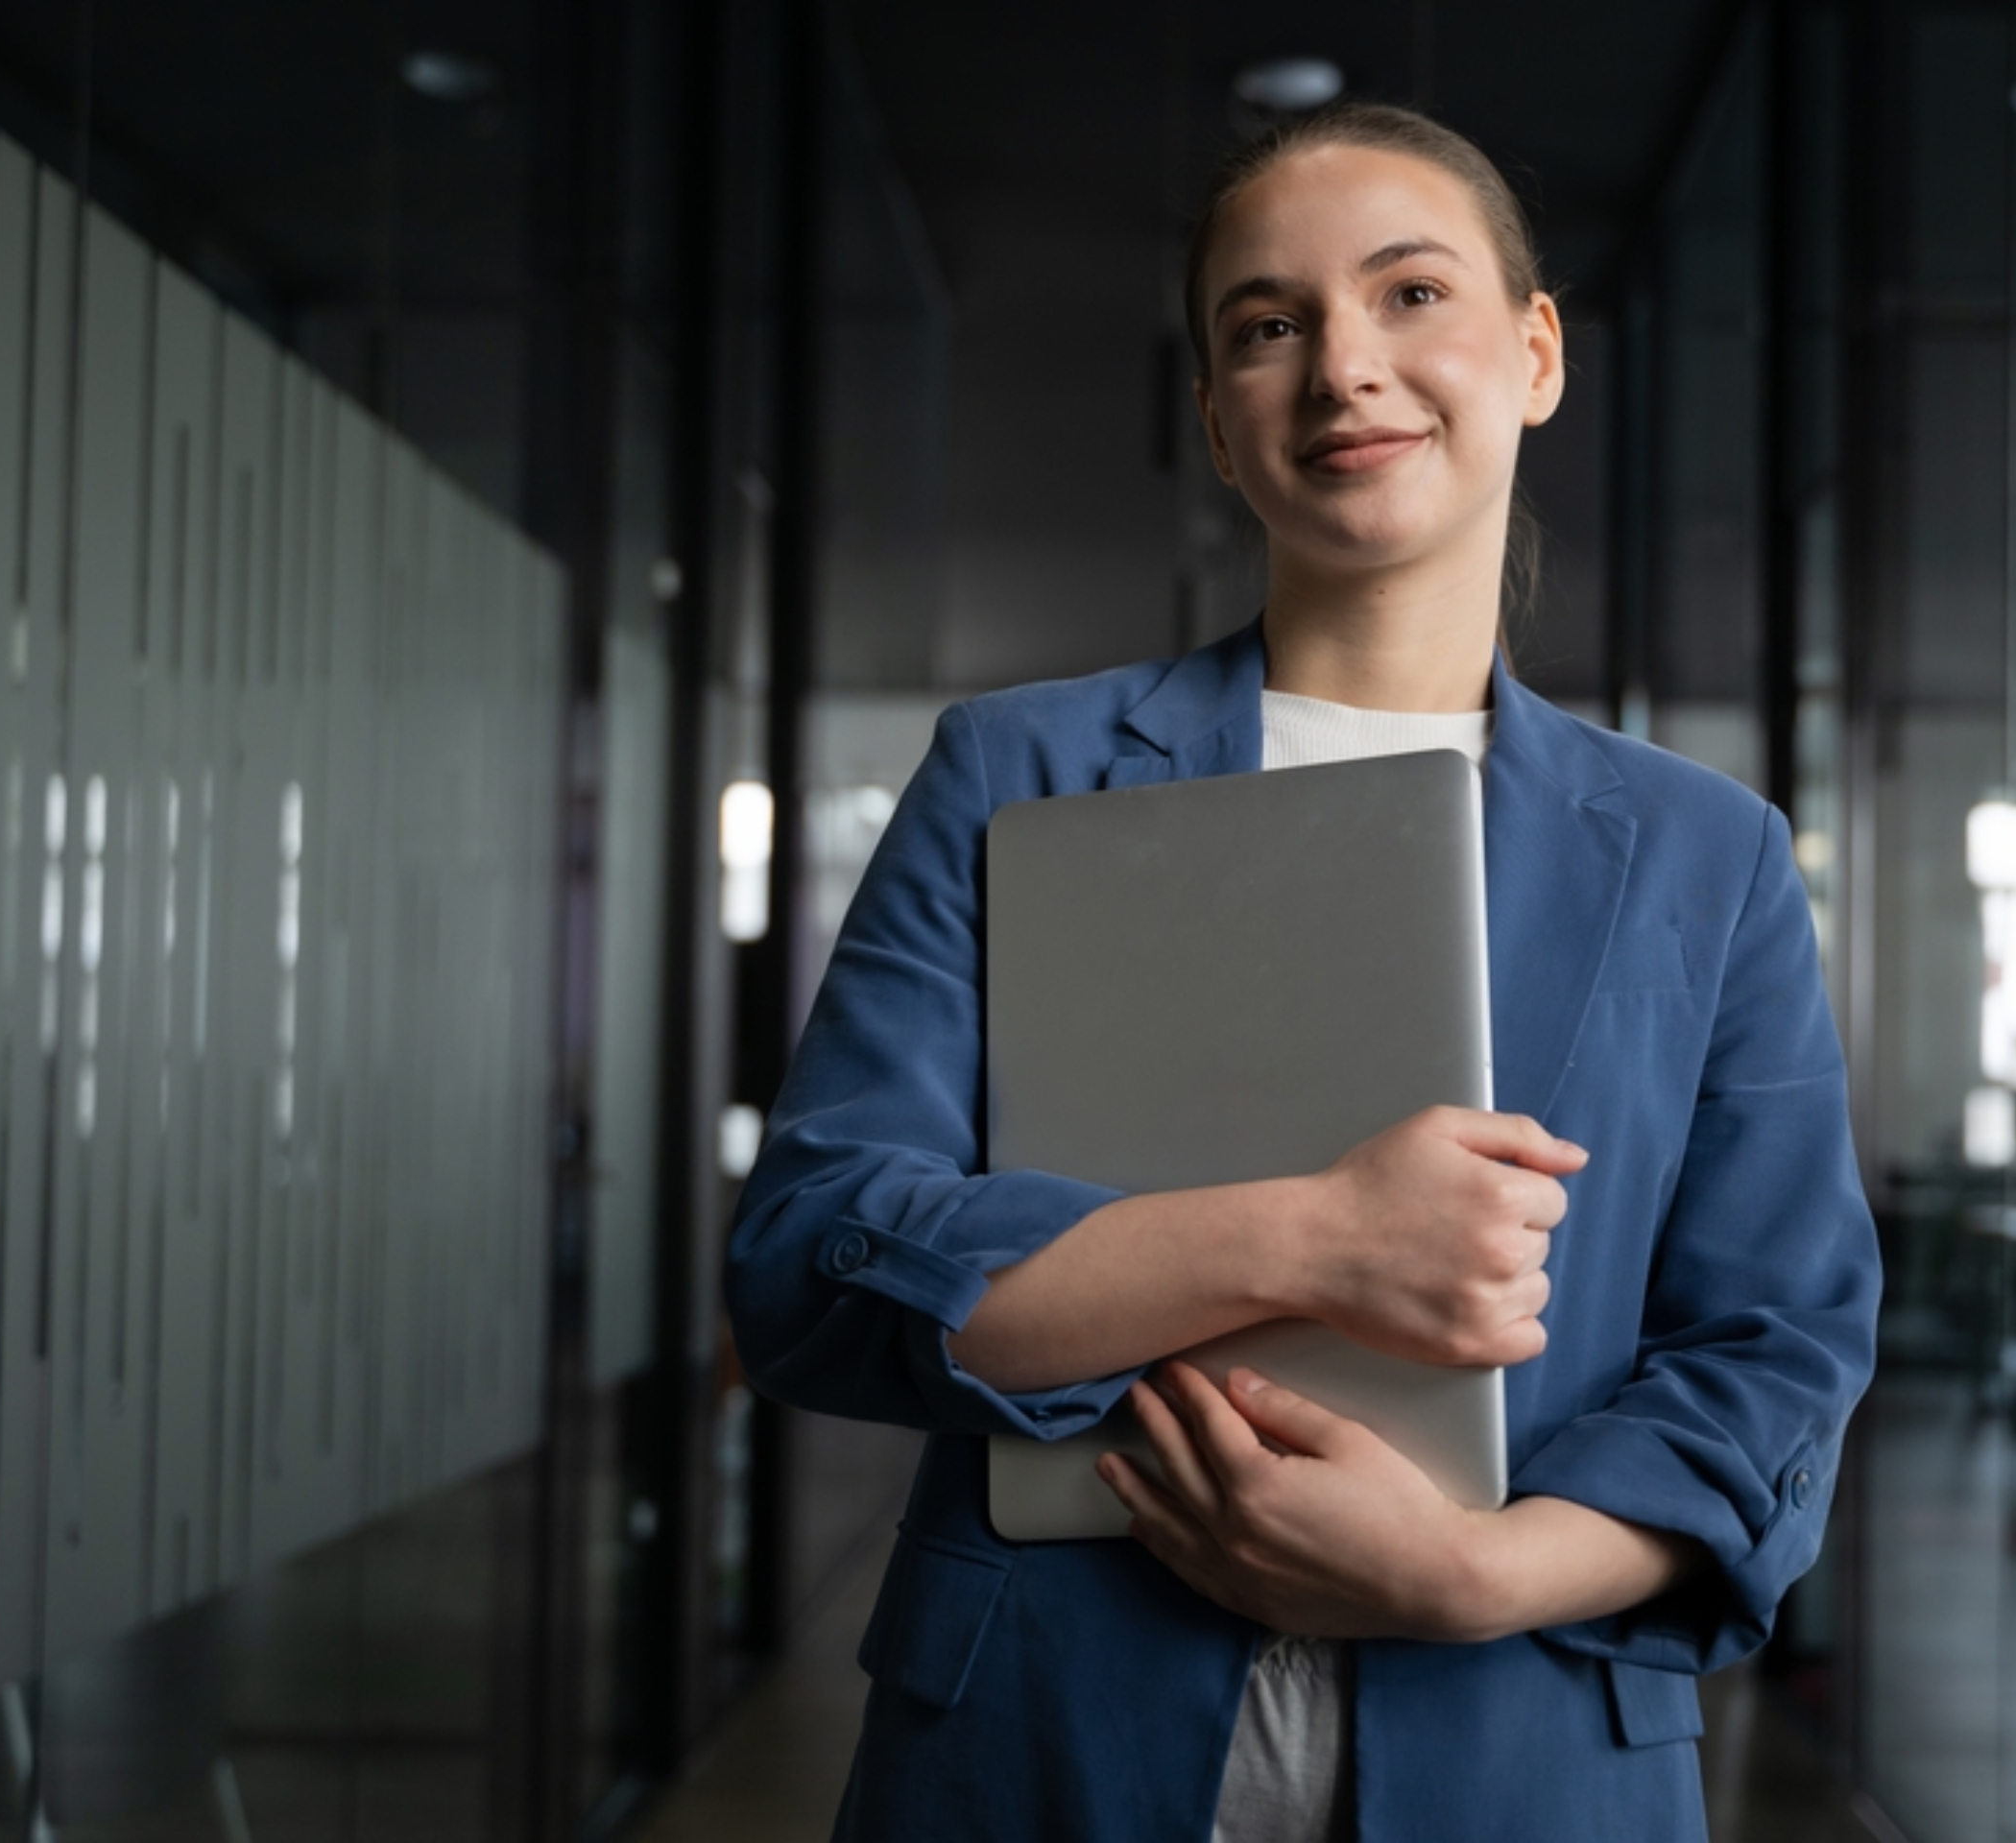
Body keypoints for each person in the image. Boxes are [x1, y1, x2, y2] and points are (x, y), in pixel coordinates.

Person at [724, 102, 1879, 1843]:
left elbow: (1775, 1353)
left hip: (1530, 1748)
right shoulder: (1013, 773)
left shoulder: (1708, 855)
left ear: (1537, 351)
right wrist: (1320, 1237)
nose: (1346, 365)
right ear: (1214, 412)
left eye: (1413, 294)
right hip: (1040, 1746)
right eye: (1268, 324)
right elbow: (812, 1260)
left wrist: (1470, 1576)